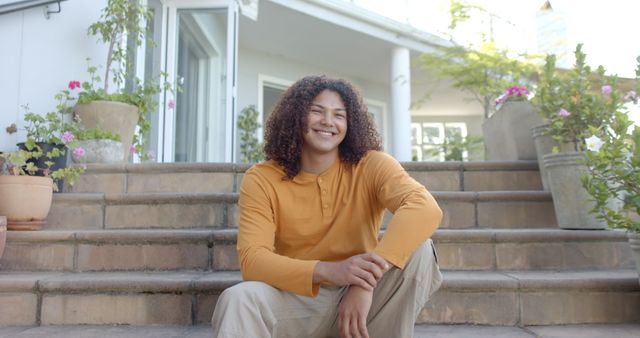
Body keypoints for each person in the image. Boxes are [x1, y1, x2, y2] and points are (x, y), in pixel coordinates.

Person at [212, 75, 443, 338]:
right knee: (238, 298)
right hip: (297, 300)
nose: (328, 122)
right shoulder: (262, 178)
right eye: (317, 111)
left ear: (350, 123)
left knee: (420, 248)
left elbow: (424, 207)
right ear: (296, 117)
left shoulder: (372, 165)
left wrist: (363, 282)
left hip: (363, 304)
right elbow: (253, 262)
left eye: (339, 115)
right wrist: (331, 271)